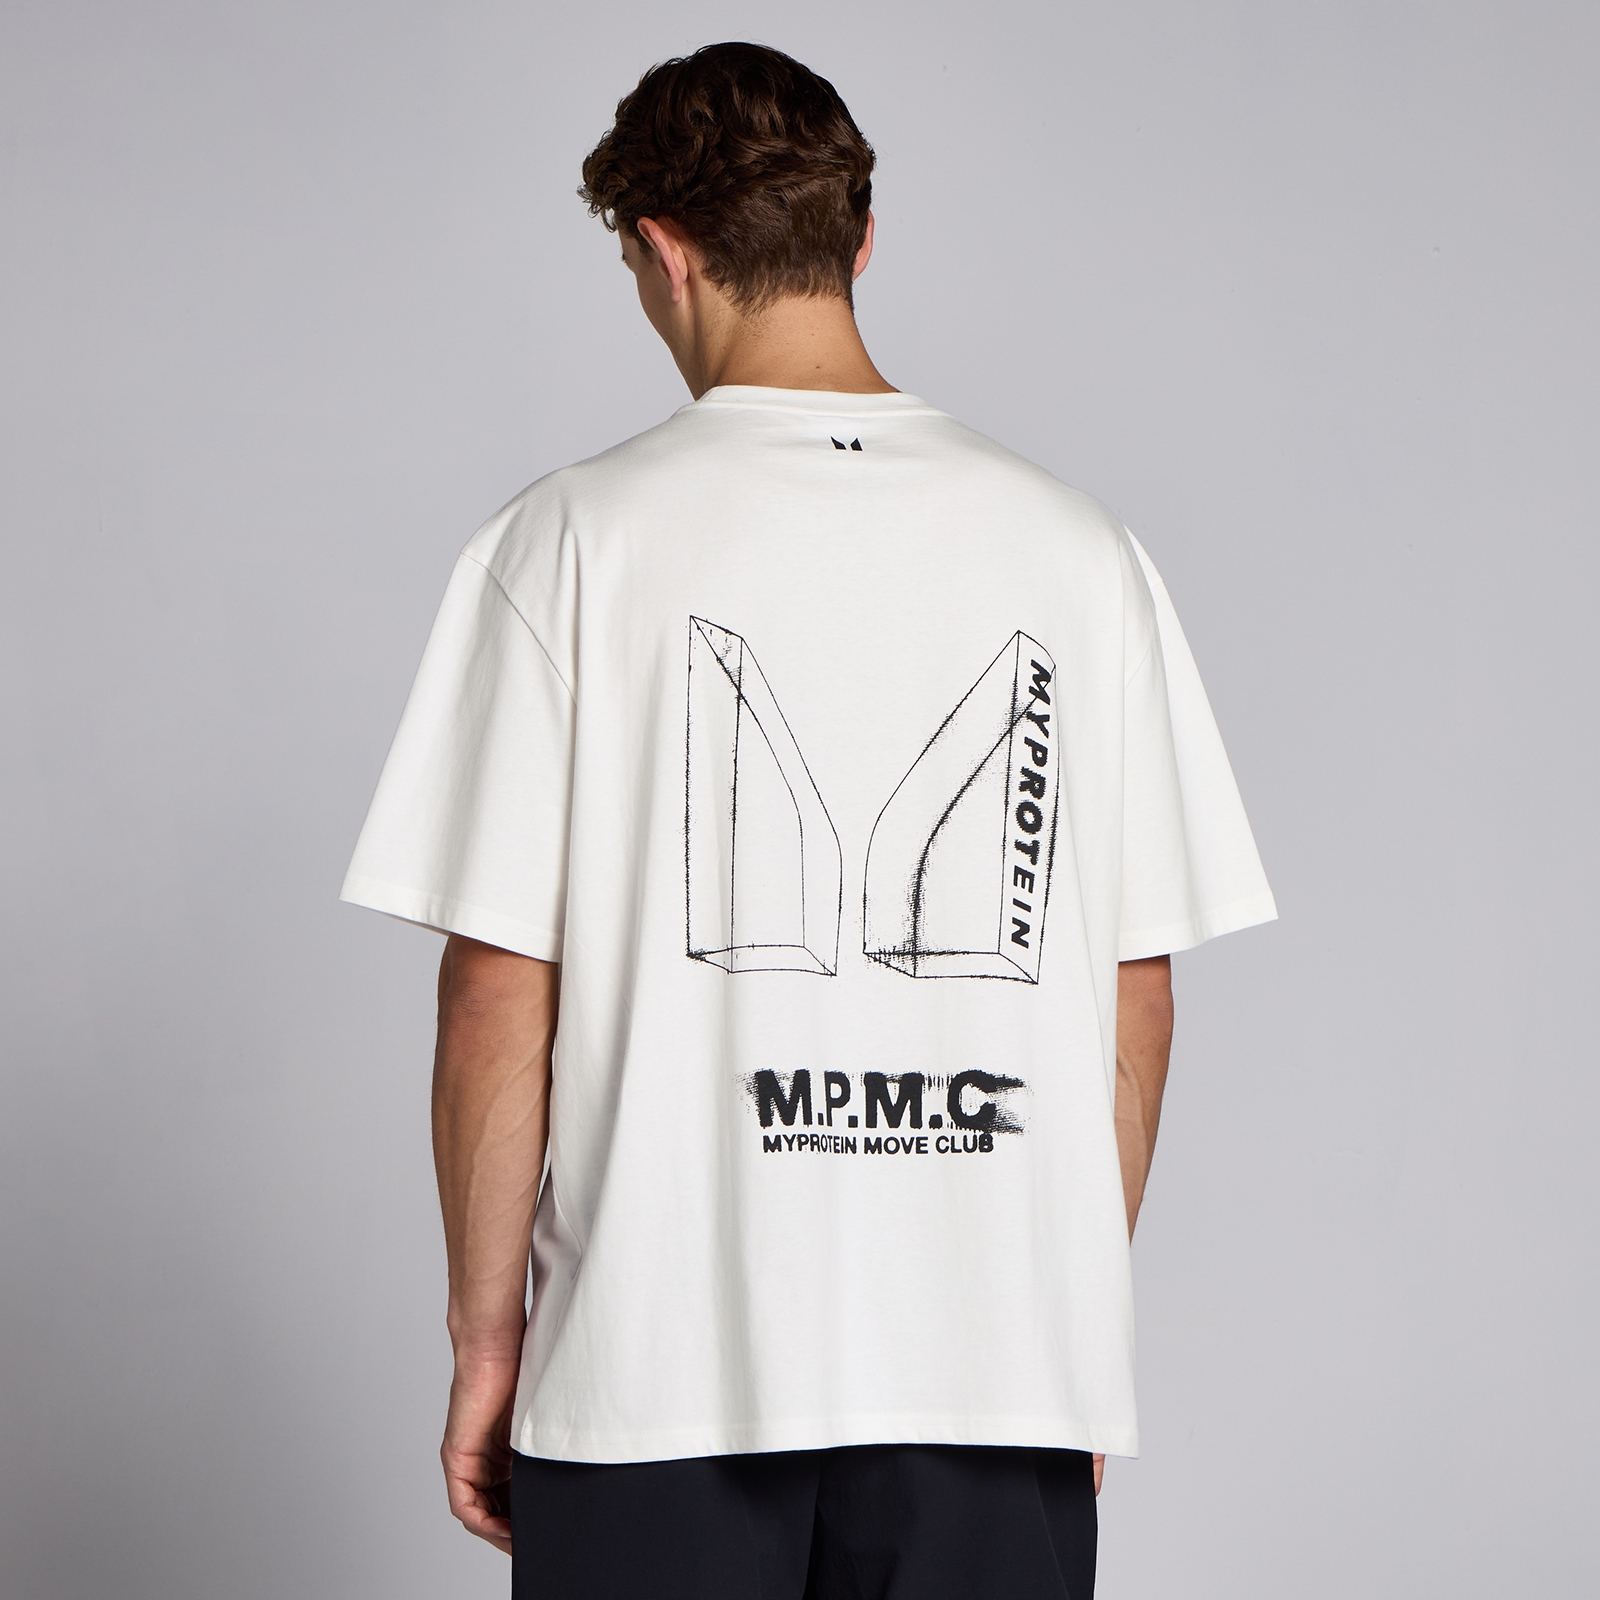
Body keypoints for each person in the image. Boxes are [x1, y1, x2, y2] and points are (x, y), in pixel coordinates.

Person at [342, 41, 1275, 1600]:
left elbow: (500, 991)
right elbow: (1137, 993)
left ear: (664, 251)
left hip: (652, 1387)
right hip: (993, 1389)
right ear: (860, 239)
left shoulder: (566, 544)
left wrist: (487, 1339)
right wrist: (1056, 1334)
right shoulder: (1082, 554)